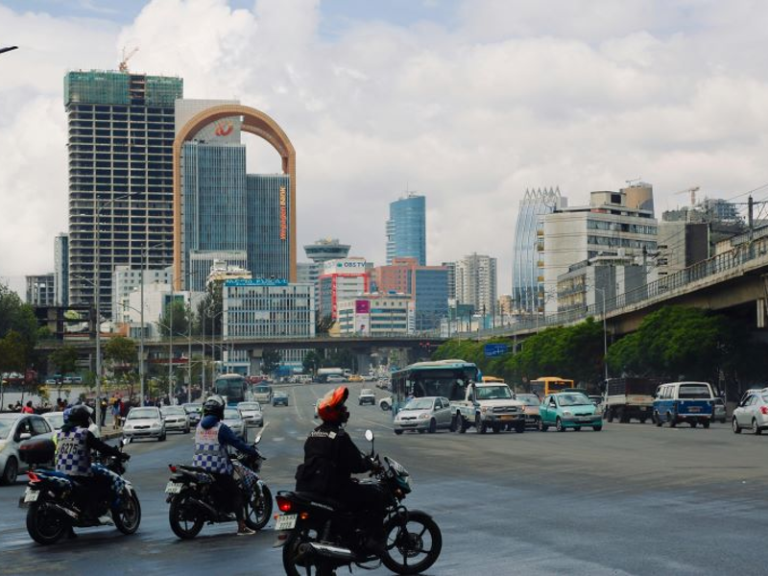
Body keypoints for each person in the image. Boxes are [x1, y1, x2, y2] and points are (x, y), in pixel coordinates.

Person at [295, 386, 386, 554]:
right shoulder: (339, 436)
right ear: (334, 413)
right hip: (331, 488)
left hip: (310, 486)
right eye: (342, 408)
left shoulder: (314, 433)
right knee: (376, 495)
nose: (345, 411)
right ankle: (373, 542)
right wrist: (371, 465)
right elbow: (355, 464)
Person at [193, 394, 260, 536]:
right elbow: (237, 443)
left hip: (199, 467)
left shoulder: (199, 426)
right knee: (236, 493)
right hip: (217, 469)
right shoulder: (221, 428)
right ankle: (242, 527)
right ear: (220, 411)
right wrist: (252, 451)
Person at [55, 405, 130, 524]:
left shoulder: (60, 433)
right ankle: (94, 512)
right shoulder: (84, 433)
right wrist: (120, 455)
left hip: (60, 471)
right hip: (78, 472)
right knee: (104, 482)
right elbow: (102, 448)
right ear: (83, 420)